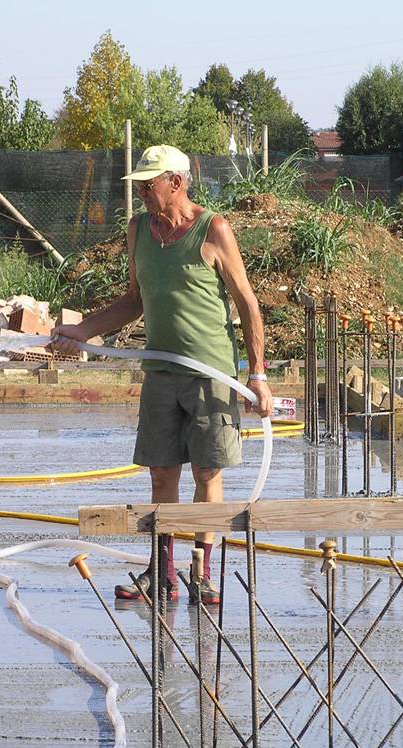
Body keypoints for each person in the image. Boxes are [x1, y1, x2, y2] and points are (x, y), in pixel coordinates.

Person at [51, 144, 272, 605]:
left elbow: (248, 304)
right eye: (140, 186)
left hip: (210, 374)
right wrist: (82, 331)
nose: (142, 194)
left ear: (177, 181)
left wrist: (258, 374)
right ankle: (162, 572)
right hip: (161, 369)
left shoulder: (213, 230)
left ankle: (203, 570)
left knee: (208, 471)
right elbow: (133, 301)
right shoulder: (139, 231)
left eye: (149, 185)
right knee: (160, 473)